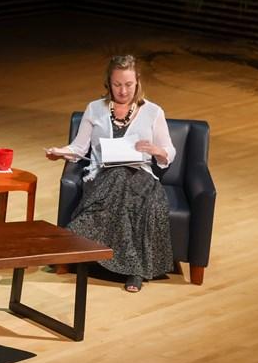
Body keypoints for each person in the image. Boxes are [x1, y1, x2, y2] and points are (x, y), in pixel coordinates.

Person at [46, 54, 175, 292]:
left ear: (137, 82)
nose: (123, 91)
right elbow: (78, 148)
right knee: (117, 178)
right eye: (117, 85)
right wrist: (59, 152)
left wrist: (157, 150)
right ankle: (134, 271)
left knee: (125, 182)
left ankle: (69, 240)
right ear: (108, 83)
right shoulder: (95, 109)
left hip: (141, 177)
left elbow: (169, 152)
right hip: (103, 176)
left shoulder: (153, 112)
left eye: (128, 84)